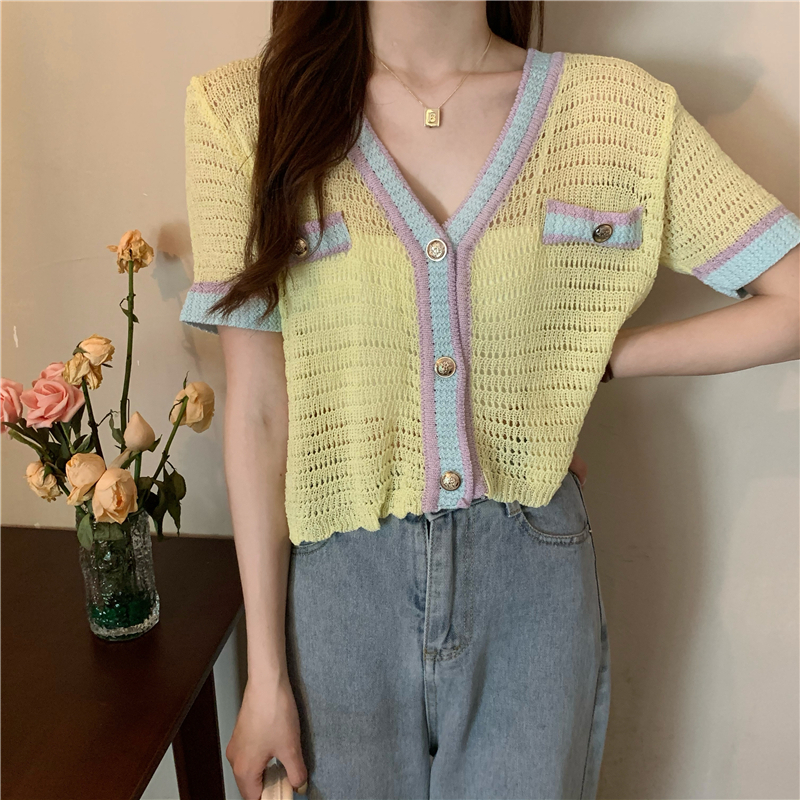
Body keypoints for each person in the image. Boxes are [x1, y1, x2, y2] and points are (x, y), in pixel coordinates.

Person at [178, 2, 800, 798]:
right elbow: (260, 410)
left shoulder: (617, 115)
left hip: (531, 579)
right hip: (339, 588)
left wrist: (603, 357)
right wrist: (265, 675)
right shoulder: (248, 112)